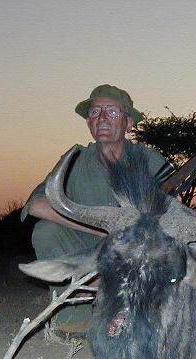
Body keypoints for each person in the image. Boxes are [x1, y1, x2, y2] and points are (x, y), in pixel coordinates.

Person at [21, 84, 173, 334]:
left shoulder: (149, 160)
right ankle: (74, 316)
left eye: (112, 112)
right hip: (85, 247)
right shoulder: (74, 159)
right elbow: (36, 205)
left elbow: (170, 214)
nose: (102, 118)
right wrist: (97, 229)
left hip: (133, 250)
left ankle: (136, 306)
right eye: (95, 112)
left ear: (129, 123)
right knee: (45, 231)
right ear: (89, 123)